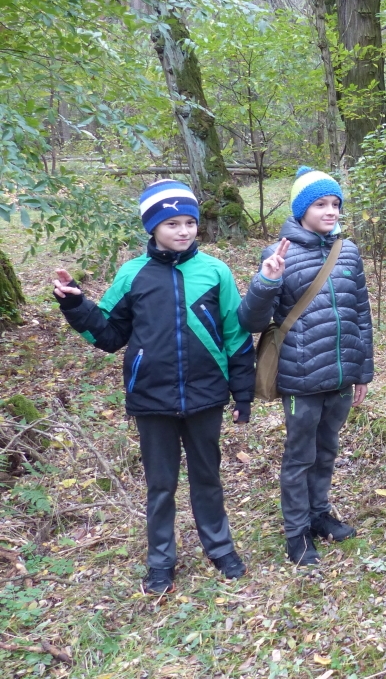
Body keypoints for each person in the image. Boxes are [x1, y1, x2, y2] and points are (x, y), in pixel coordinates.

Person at [52, 180, 253, 595]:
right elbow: (108, 335)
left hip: (205, 395)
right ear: (153, 227)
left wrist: (243, 392)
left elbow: (235, 335)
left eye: (189, 222)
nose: (183, 231)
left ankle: (220, 548)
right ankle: (161, 561)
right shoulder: (133, 274)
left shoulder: (216, 272)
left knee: (207, 478)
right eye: (172, 224)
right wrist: (75, 305)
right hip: (151, 398)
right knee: (161, 485)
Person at [238, 167, 373, 566]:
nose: (330, 211)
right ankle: (296, 532)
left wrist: (363, 371)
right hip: (300, 377)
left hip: (342, 373)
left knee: (327, 449)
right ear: (301, 210)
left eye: (335, 204)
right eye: (320, 204)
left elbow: (361, 314)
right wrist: (266, 281)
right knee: (300, 456)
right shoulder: (278, 253)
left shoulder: (348, 252)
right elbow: (252, 321)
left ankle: (319, 514)